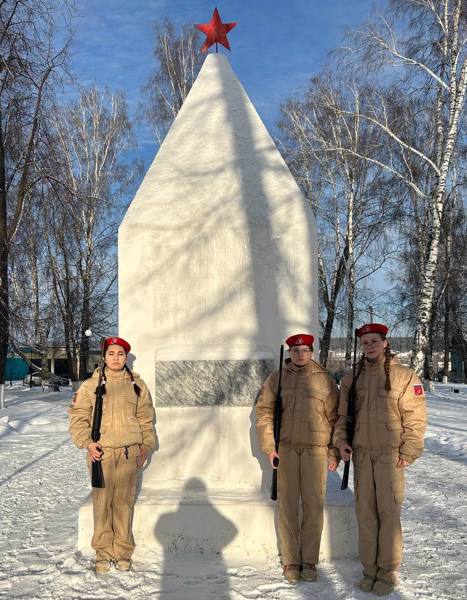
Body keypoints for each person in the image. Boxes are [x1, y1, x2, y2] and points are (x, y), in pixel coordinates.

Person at [333, 323, 426, 596]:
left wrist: (408, 452)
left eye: (374, 341)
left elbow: (415, 419)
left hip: (389, 456)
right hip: (361, 455)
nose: (370, 346)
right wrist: (341, 442)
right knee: (365, 514)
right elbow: (342, 417)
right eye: (365, 342)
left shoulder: (405, 377)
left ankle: (386, 571)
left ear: (385, 343)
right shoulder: (353, 377)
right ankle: (369, 568)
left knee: (388, 513)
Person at [255, 333, 339, 584]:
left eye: (305, 350)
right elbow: (264, 413)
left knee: (314, 507)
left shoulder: (325, 380)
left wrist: (334, 452)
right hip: (287, 450)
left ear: (312, 352)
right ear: (289, 353)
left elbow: (335, 418)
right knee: (288, 507)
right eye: (295, 350)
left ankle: (310, 561)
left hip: (316, 451)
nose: (300, 354)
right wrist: (270, 448)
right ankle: (291, 560)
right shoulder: (277, 379)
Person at [69, 336, 156, 574]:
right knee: (102, 504)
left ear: (125, 357)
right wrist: (87, 444)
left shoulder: (137, 385)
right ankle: (102, 553)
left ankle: (123, 552)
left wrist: (146, 445)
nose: (116, 358)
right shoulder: (90, 385)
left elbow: (146, 419)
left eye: (120, 354)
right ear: (104, 357)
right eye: (111, 354)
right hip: (101, 454)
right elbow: (78, 417)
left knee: (124, 504)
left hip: (130, 453)